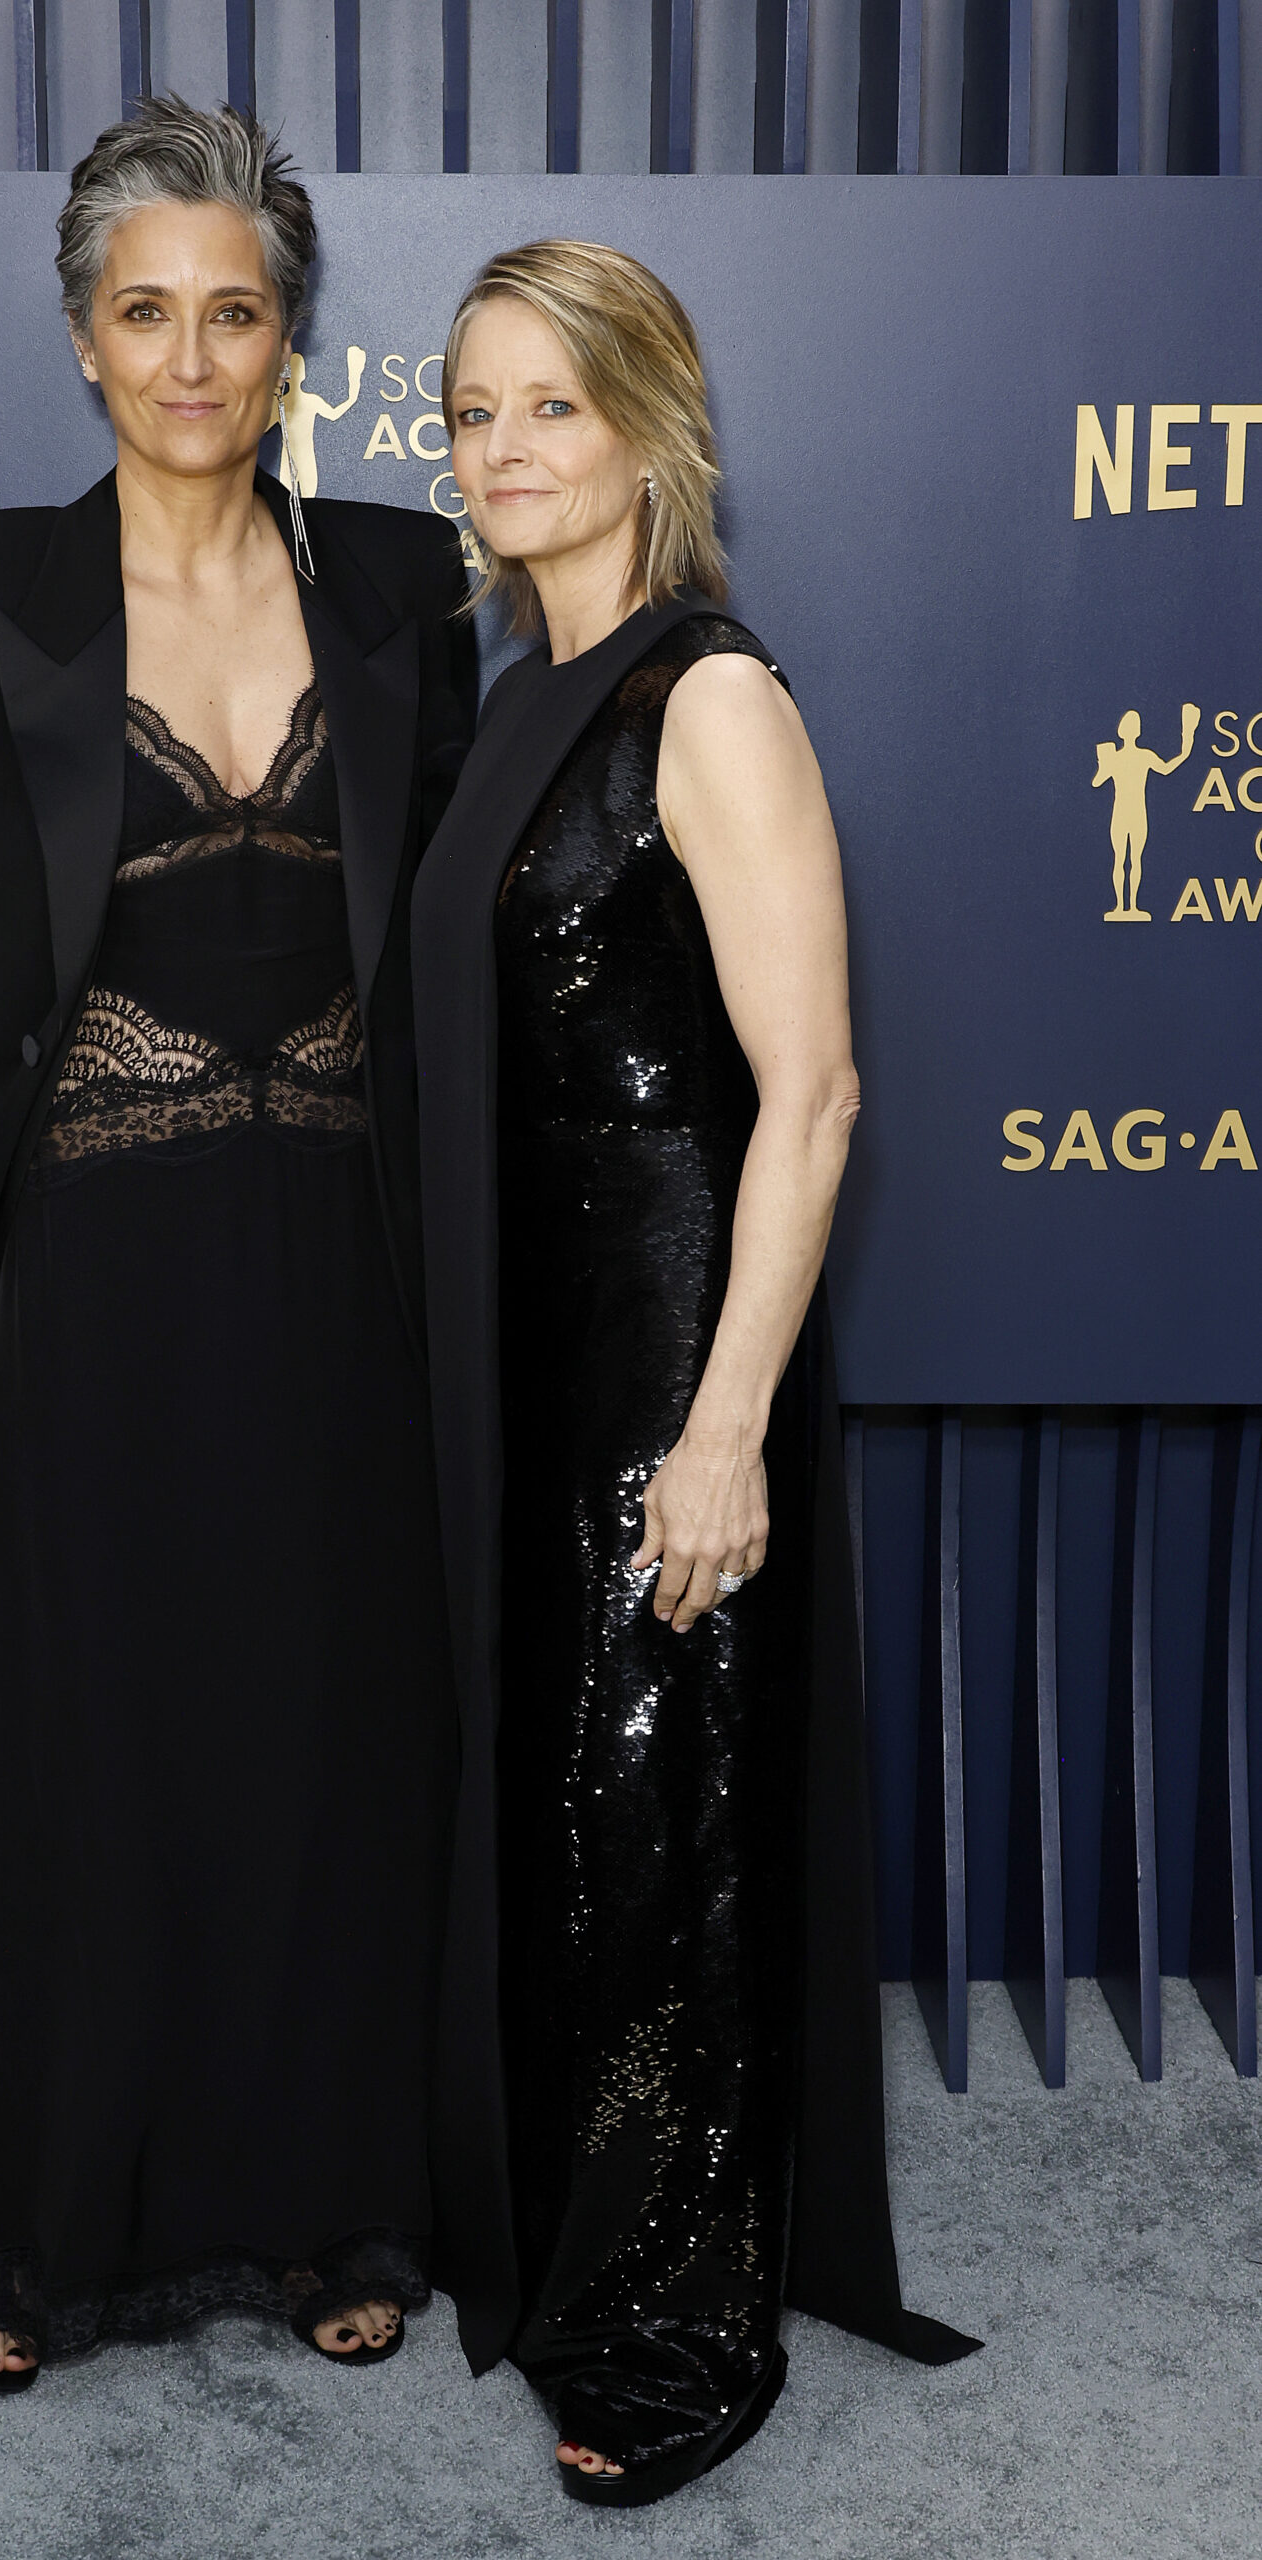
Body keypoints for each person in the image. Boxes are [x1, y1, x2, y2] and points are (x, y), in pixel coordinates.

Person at [0, 98, 480, 2391]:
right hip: (91, 1268)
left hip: (345, 1260)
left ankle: (340, 2189)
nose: (191, 354)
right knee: (100, 1746)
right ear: (84, 341)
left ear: (289, 336)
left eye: (234, 309)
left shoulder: (403, 584)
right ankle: (43, 2218)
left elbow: (472, 938)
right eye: (146, 313)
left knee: (332, 1732)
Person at [412, 240, 977, 2509]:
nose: (502, 450)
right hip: (522, 1359)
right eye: (466, 411)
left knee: (665, 1836)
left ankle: (686, 2319)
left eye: (547, 404)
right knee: (559, 1823)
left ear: (649, 423)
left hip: (665, 1344)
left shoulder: (707, 700)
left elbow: (812, 1090)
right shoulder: (505, 688)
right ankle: (569, 2234)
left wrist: (723, 1417)